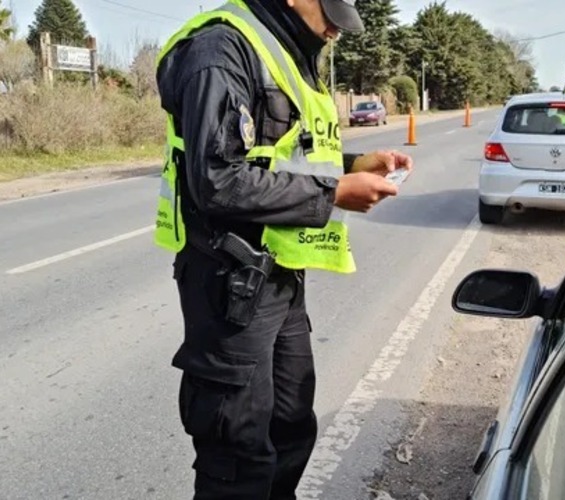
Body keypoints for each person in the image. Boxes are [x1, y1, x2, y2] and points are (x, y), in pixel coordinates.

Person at [153, 0, 414, 498]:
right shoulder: (221, 50)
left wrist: (359, 161)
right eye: (332, 12)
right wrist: (335, 193)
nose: (338, 27)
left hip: (279, 276)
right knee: (238, 451)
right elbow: (216, 180)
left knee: (291, 424)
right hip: (229, 281)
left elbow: (287, 149)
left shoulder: (285, 49)